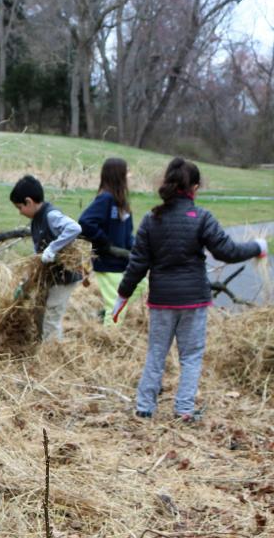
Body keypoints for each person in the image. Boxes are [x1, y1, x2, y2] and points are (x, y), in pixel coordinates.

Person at [114, 157, 267, 421]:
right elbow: (227, 251)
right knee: (191, 356)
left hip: (161, 300)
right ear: (194, 188)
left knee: (156, 353)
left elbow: (138, 263)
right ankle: (183, 409)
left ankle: (144, 407)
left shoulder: (152, 219)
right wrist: (258, 247)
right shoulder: (202, 217)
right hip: (194, 300)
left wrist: (122, 295)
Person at [9, 175, 84, 342]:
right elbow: (38, 255)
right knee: (39, 311)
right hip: (50, 276)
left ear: (29, 201)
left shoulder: (50, 215)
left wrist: (52, 248)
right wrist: (26, 281)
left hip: (64, 276)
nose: (20, 212)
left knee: (51, 316)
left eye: (19, 207)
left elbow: (74, 228)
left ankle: (52, 356)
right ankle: (43, 345)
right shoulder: (36, 220)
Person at [79, 158, 136, 324]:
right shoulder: (105, 199)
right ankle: (110, 338)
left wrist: (136, 251)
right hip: (108, 261)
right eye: (127, 172)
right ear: (118, 175)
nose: (129, 176)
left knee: (141, 284)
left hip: (122, 261)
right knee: (116, 308)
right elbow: (85, 222)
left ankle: (107, 315)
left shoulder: (122, 202)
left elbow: (128, 233)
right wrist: (103, 242)